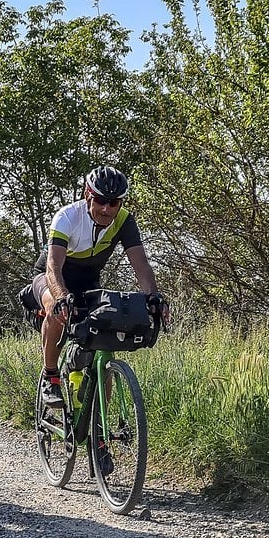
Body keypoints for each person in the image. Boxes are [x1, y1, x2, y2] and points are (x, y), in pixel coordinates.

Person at [28, 165, 164, 409]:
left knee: (105, 339)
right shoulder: (67, 217)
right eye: (101, 200)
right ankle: (51, 376)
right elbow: (53, 267)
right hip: (51, 277)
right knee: (55, 308)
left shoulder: (124, 221)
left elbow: (141, 265)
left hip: (88, 281)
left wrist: (153, 296)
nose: (106, 208)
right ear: (87, 194)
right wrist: (60, 296)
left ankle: (98, 433)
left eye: (114, 203)